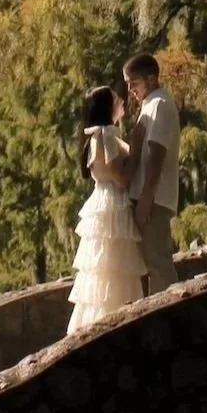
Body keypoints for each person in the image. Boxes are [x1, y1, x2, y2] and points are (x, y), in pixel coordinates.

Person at [67, 84, 146, 332]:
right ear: (107, 106)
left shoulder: (95, 135)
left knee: (102, 272)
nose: (121, 100)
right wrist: (138, 148)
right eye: (115, 98)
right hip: (113, 203)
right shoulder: (107, 134)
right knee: (116, 269)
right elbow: (120, 178)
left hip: (101, 202)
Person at [122, 52, 180, 295]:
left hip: (153, 200)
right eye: (128, 84)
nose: (131, 90)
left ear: (152, 78)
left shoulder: (159, 104)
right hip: (146, 197)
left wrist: (146, 198)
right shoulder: (149, 105)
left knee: (157, 263)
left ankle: (168, 314)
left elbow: (157, 155)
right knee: (147, 263)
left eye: (133, 83)